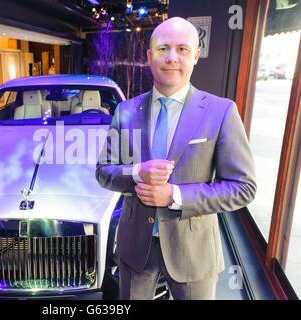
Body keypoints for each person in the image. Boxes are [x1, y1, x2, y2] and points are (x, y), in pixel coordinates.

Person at [96, 17, 256, 300]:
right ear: (149, 56)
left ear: (196, 55)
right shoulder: (126, 110)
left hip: (193, 251)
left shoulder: (221, 111)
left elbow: (243, 188)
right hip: (136, 249)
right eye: (163, 49)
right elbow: (103, 171)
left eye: (182, 49)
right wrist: (136, 173)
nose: (171, 58)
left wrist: (175, 195)